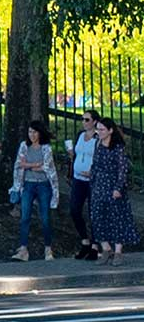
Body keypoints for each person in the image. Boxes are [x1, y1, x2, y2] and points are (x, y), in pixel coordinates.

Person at [90, 117, 139, 265]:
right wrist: (92, 180)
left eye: (102, 129)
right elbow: (95, 165)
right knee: (97, 218)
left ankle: (118, 252)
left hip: (112, 186)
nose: (99, 132)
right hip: (99, 185)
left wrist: (118, 188)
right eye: (98, 129)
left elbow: (122, 169)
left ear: (110, 131)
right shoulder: (98, 144)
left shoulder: (118, 147)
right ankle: (106, 249)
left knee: (117, 219)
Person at [10, 120, 59, 261]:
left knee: (45, 218)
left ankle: (48, 248)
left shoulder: (46, 148)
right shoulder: (24, 146)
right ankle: (23, 249)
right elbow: (19, 164)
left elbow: (46, 167)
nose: (32, 135)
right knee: (25, 217)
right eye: (30, 132)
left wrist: (28, 165)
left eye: (35, 132)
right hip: (28, 184)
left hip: (43, 185)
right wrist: (35, 165)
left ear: (40, 133)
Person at [66, 111, 101, 260]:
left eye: (87, 120)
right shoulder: (80, 135)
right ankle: (84, 241)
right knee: (74, 210)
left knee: (94, 213)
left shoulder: (98, 138)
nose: (84, 122)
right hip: (78, 178)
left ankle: (95, 246)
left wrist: (93, 172)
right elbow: (78, 154)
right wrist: (71, 155)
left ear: (94, 122)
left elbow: (101, 158)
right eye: (83, 119)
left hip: (92, 181)